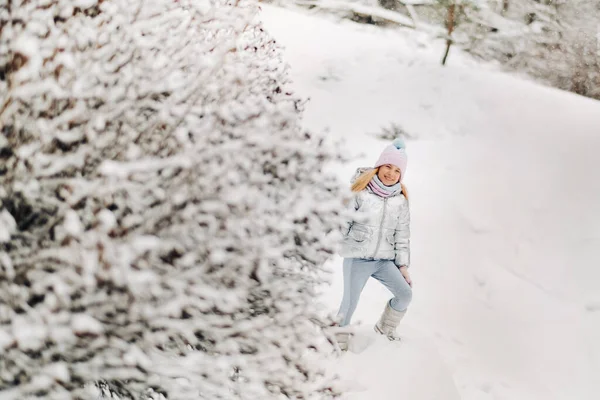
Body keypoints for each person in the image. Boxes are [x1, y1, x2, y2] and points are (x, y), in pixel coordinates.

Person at [336, 138, 412, 349]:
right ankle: (337, 341)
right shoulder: (360, 193)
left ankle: (385, 328)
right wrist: (333, 244)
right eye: (388, 166)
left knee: (405, 294)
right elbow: (342, 223)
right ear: (379, 166)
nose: (391, 173)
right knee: (349, 303)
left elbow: (402, 235)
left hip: (384, 261)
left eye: (397, 170)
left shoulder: (400, 200)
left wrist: (403, 266)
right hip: (358, 258)